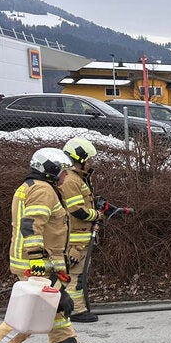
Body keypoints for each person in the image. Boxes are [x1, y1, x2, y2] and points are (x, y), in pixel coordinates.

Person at [0, 148, 93, 343]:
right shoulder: (43, 190)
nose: (66, 176)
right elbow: (32, 226)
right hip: (38, 260)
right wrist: (38, 260)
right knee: (37, 309)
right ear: (51, 170)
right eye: (63, 172)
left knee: (53, 306)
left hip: (33, 258)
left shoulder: (30, 186)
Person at [58, 137, 102, 323]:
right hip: (76, 239)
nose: (91, 162)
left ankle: (77, 307)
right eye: (89, 159)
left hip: (81, 237)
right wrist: (97, 215)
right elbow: (78, 211)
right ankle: (76, 311)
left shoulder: (77, 178)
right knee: (75, 275)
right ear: (79, 158)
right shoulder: (71, 180)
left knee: (80, 274)